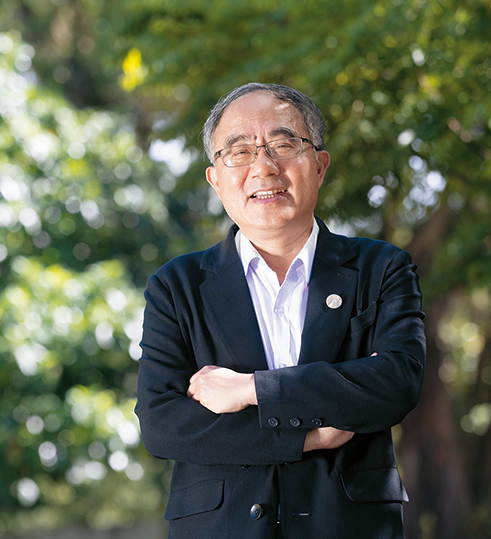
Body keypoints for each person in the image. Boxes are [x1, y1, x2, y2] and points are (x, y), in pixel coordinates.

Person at [135, 83, 425, 539]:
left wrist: (250, 388)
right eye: (239, 152)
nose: (264, 167)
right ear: (215, 180)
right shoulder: (176, 286)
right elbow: (164, 424)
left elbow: (395, 383)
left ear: (320, 165)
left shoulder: (381, 268)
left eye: (284, 146)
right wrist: (305, 436)